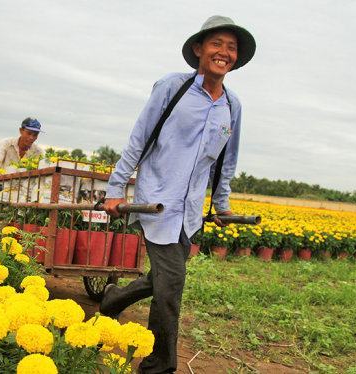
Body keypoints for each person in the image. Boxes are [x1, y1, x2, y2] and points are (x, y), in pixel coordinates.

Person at [100, 15, 256, 373]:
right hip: (156, 202)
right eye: (216, 44)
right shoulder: (173, 87)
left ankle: (114, 299)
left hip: (189, 213)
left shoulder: (232, 106)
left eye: (231, 47)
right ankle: (159, 366)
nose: (224, 52)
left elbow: (226, 160)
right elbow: (138, 139)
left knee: (162, 278)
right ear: (199, 49)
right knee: (172, 283)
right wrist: (114, 188)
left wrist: (221, 203)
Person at [0, 117, 45, 183]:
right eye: (29, 133)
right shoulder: (6, 143)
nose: (31, 137)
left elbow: (44, 166)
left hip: (25, 189)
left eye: (35, 135)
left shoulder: (38, 152)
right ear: (21, 131)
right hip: (2, 186)